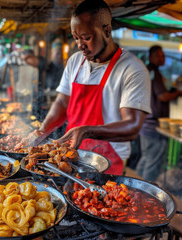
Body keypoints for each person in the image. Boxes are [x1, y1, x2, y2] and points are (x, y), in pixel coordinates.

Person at [39, 0, 151, 175]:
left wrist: (86, 130)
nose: (79, 45)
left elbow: (132, 126)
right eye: (76, 38)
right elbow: (62, 102)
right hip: (69, 157)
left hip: (107, 162)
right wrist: (42, 130)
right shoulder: (75, 61)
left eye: (86, 38)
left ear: (106, 31)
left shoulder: (132, 69)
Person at [136, 45, 182, 181]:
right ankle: (143, 193)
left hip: (145, 124)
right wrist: (178, 92)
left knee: (146, 158)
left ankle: (135, 186)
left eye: (163, 55)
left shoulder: (147, 71)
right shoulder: (154, 73)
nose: (162, 58)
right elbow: (162, 96)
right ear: (151, 57)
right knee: (152, 164)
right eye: (159, 55)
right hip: (153, 125)